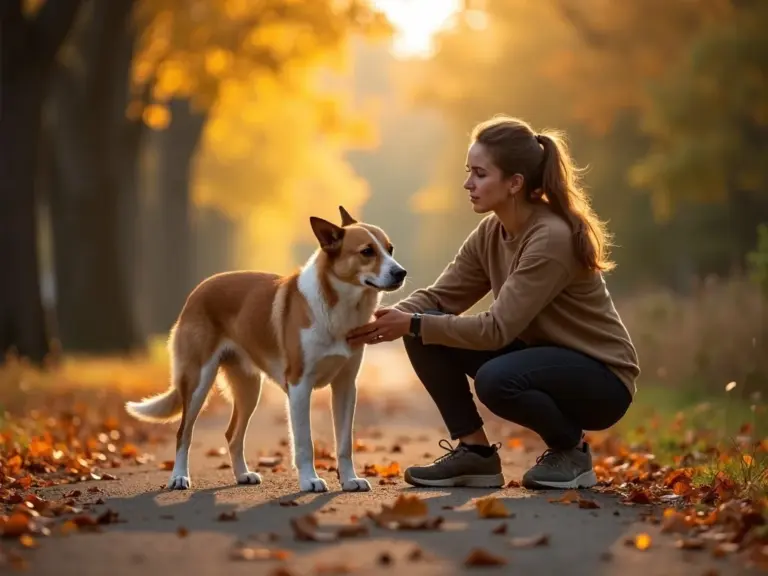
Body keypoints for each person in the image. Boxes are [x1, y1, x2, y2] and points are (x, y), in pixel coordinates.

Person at [346, 115, 640, 490]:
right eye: (469, 171)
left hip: (600, 377)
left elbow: (496, 330)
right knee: (422, 327)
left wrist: (413, 322)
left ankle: (571, 451)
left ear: (514, 183)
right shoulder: (491, 231)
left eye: (480, 174)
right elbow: (441, 297)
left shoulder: (550, 238)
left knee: (494, 378)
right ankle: (476, 455)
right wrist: (378, 318)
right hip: (541, 357)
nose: (468, 183)